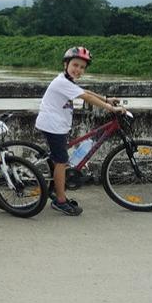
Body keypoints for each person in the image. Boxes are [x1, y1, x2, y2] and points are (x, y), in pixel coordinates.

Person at [35, 47, 125, 216]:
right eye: (75, 65)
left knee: (58, 160)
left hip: (57, 124)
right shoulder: (61, 82)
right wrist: (109, 108)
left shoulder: (66, 80)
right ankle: (61, 202)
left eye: (82, 67)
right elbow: (86, 97)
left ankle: (56, 190)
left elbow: (84, 92)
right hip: (53, 126)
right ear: (66, 64)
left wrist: (105, 99)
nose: (78, 70)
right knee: (61, 161)